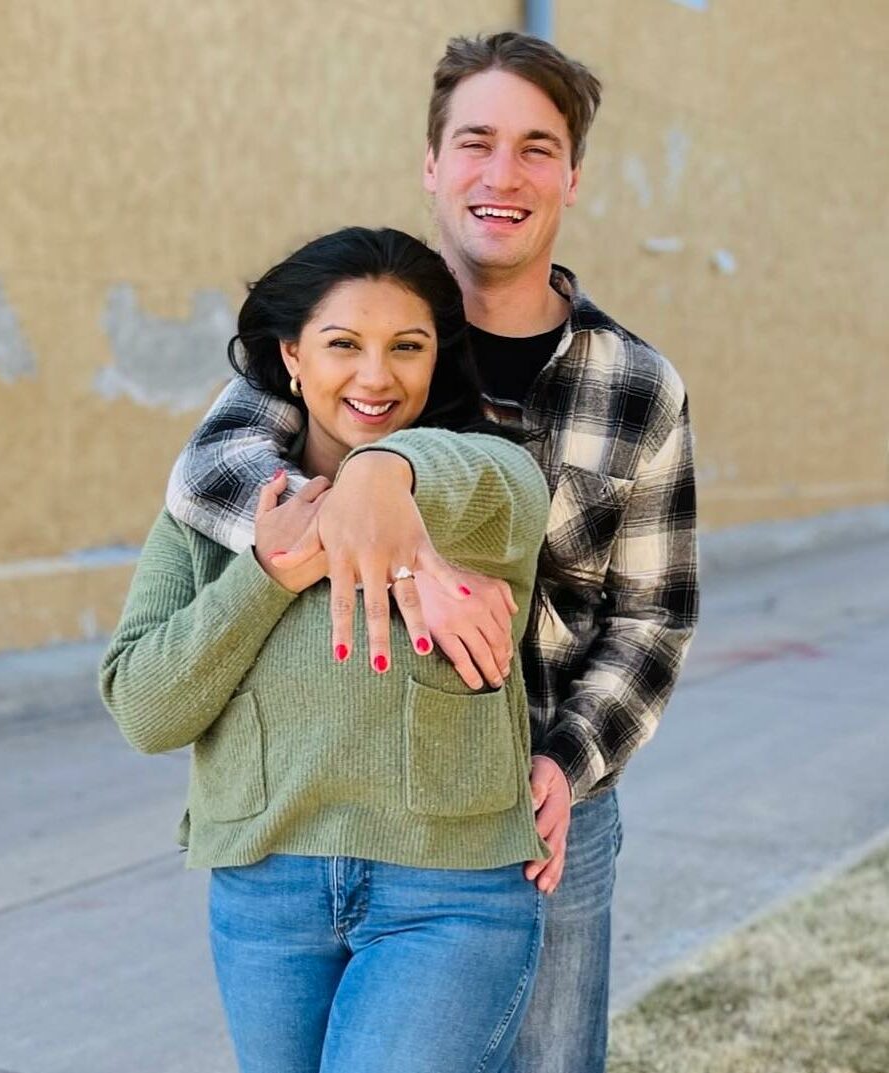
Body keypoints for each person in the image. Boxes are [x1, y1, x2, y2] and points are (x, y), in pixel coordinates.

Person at [165, 32, 700, 1073]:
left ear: (572, 176)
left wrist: (567, 759)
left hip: (551, 799)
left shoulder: (636, 384)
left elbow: (651, 613)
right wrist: (400, 550)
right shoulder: (359, 324)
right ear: (430, 162)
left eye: (535, 148)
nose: (501, 175)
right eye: (474, 141)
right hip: (364, 809)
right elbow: (212, 477)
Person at [101, 227, 556, 1073]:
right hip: (265, 893)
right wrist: (268, 575)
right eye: (343, 344)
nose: (376, 376)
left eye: (407, 347)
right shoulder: (209, 510)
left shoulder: (482, 478)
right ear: (292, 357)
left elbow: (495, 483)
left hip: (447, 895)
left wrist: (377, 473)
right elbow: (144, 708)